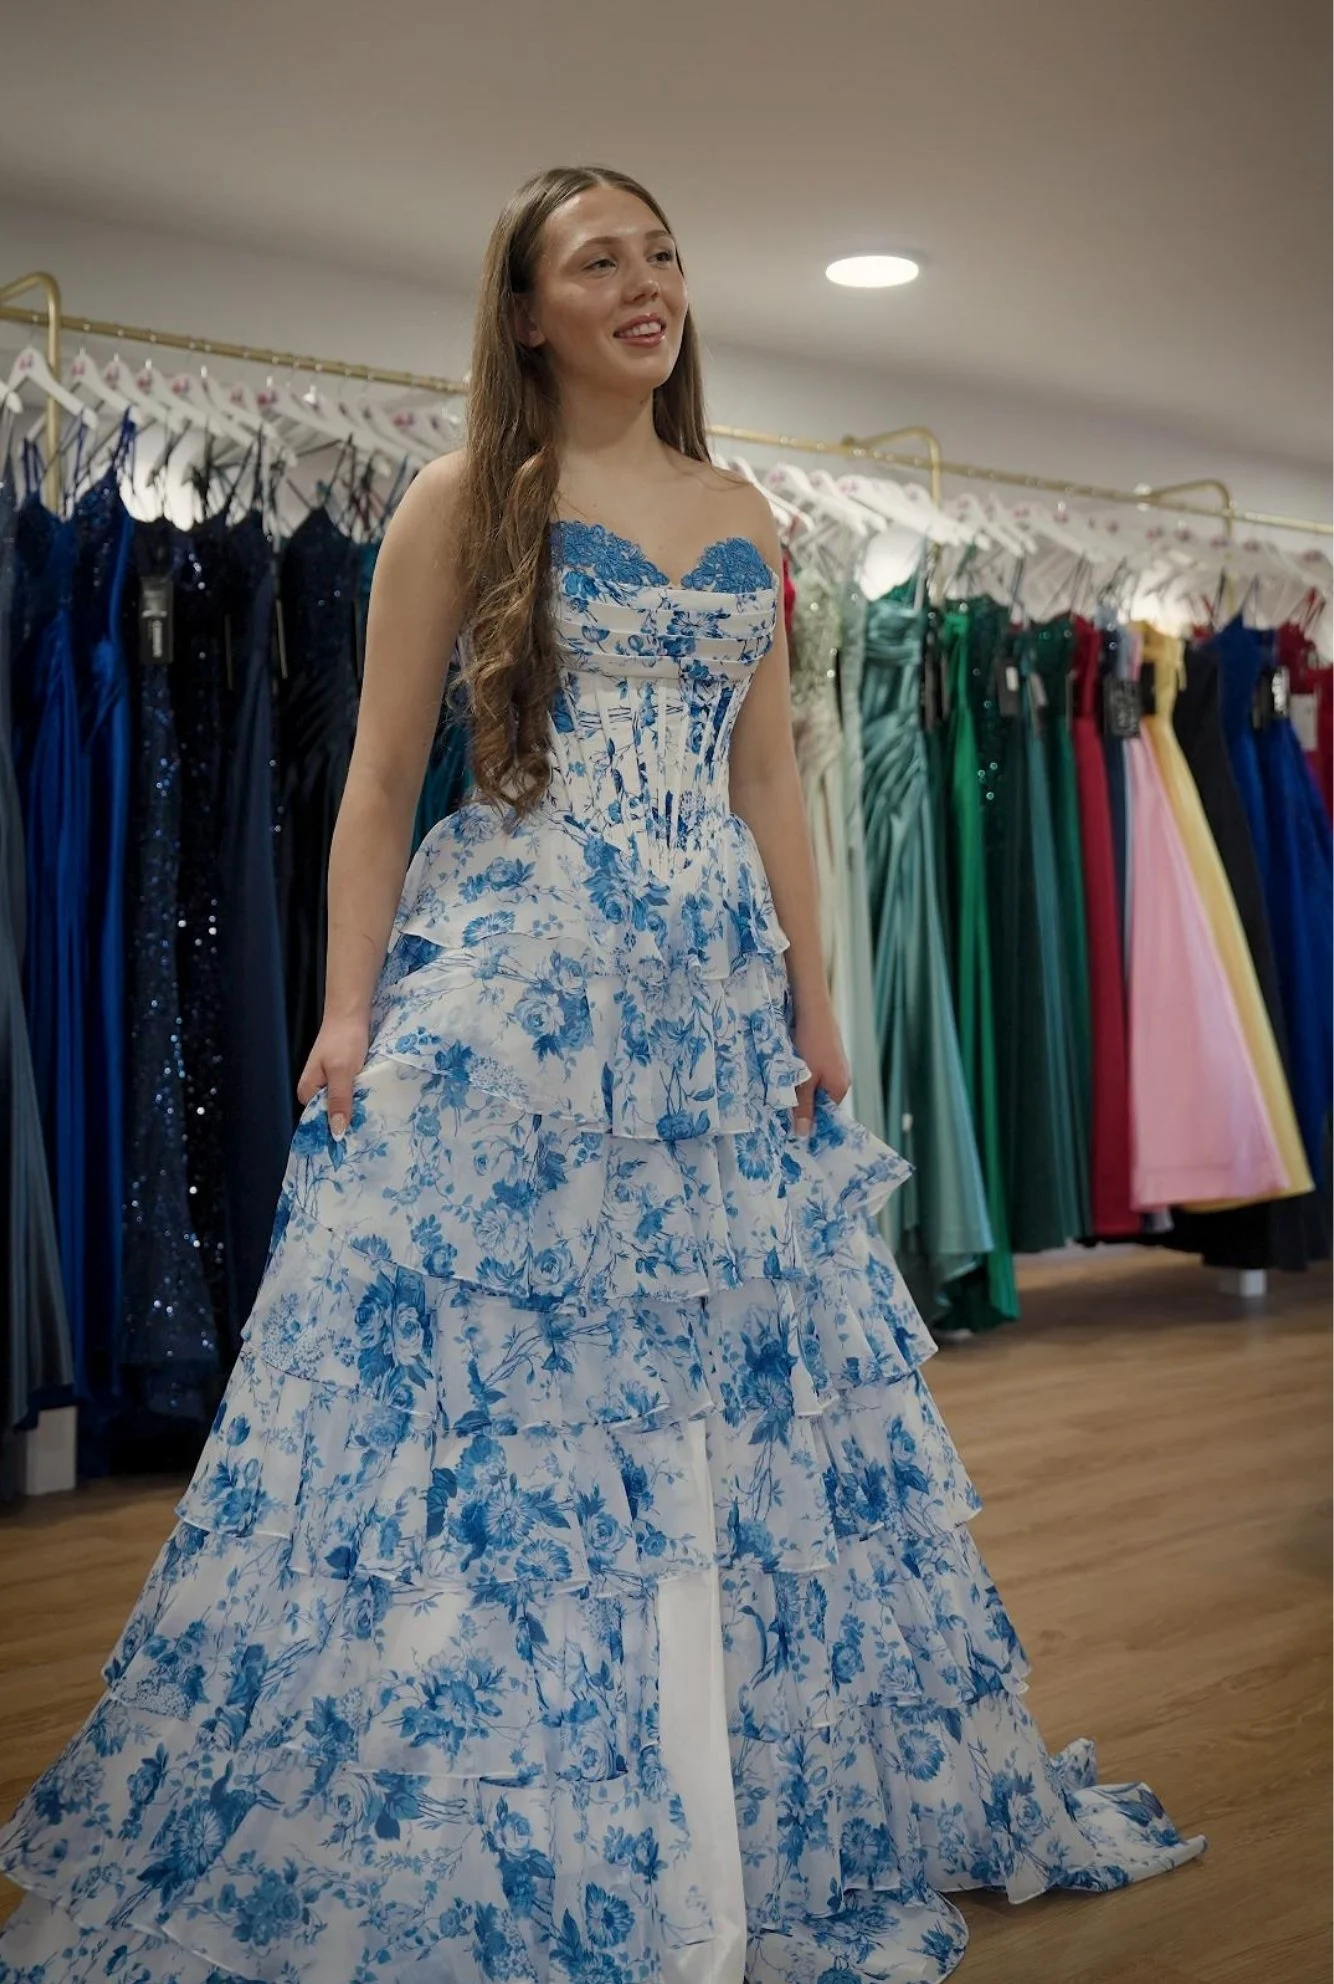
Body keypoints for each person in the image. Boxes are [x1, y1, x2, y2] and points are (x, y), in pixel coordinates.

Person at [0, 164, 1205, 1984]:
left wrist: (813, 1002)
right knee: (500, 1406)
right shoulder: (460, 501)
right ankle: (499, 1806)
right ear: (526, 310)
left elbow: (773, 783)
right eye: (599, 259)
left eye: (661, 253)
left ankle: (727, 1796)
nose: (646, 283)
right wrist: (342, 1012)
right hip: (513, 1002)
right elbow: (379, 784)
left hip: (708, 1014)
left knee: (721, 1393)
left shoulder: (739, 506)